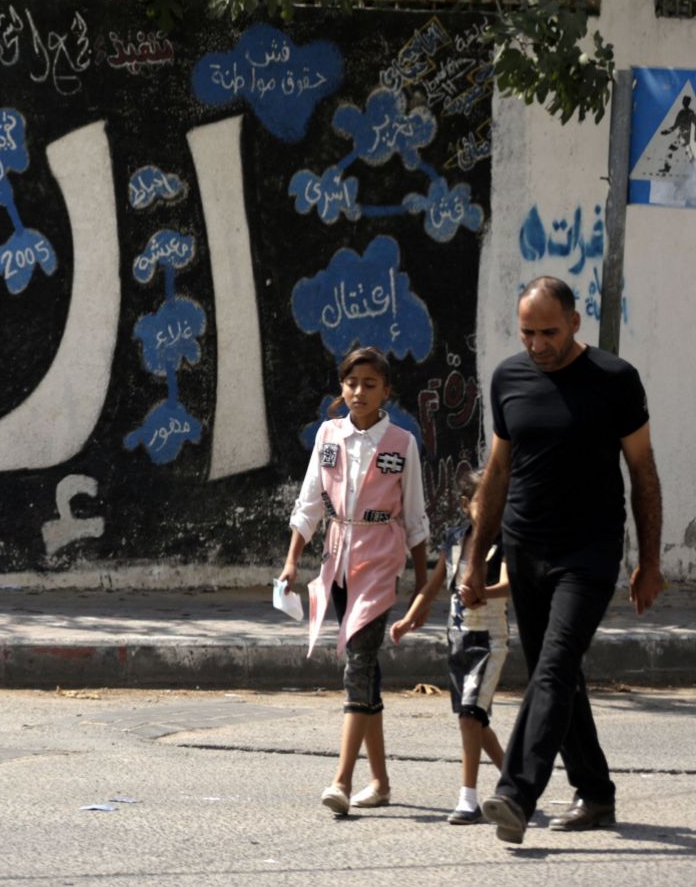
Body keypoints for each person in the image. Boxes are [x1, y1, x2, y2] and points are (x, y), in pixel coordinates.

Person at [465, 276, 666, 844]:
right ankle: (596, 792)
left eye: (548, 332)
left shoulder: (615, 381)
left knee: (553, 667)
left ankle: (515, 793)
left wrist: (649, 562)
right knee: (561, 674)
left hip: (589, 552)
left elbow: (643, 473)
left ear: (575, 322)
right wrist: (475, 557)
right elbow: (497, 473)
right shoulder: (508, 378)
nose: (537, 344)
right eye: (527, 332)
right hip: (525, 548)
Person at [278, 346, 430, 816]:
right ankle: (380, 782)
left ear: (387, 391)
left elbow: (415, 516)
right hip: (338, 561)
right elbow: (310, 503)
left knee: (357, 667)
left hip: (380, 564)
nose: (359, 392)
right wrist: (291, 562)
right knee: (367, 671)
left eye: (369, 384)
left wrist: (423, 585)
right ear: (341, 387)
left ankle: (342, 780)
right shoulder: (329, 435)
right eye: (351, 383)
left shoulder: (402, 443)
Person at [389, 469, 510, 824]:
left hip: (490, 640)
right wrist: (410, 617)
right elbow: (433, 585)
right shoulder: (455, 539)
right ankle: (515, 782)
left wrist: (482, 593)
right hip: (457, 638)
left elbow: (509, 583)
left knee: (470, 714)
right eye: (482, 502)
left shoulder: (506, 540)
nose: (490, 510)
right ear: (465, 504)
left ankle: (467, 799)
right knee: (473, 718)